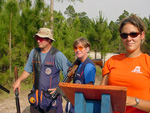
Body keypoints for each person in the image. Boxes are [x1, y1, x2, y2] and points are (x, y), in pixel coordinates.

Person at [13, 28, 71, 113]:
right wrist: (18, 81)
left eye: (41, 38)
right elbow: (27, 70)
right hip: (36, 100)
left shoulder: (57, 55)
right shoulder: (34, 53)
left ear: (49, 40)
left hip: (52, 102)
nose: (38, 41)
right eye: (37, 38)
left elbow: (70, 73)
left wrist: (60, 88)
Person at [100, 14, 150, 113]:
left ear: (142, 35)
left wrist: (134, 101)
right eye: (124, 35)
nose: (129, 38)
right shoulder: (112, 61)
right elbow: (101, 92)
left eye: (133, 34)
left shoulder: (147, 62)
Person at [65, 37, 96, 113]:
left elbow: (90, 89)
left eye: (80, 47)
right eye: (75, 48)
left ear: (87, 49)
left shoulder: (88, 66)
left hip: (82, 107)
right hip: (74, 105)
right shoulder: (77, 64)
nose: (77, 50)